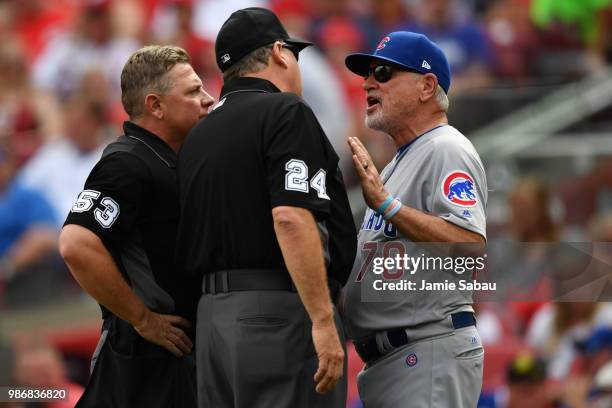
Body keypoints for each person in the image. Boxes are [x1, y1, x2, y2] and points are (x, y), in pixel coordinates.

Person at [175, 7, 356, 408]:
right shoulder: (285, 111)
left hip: (213, 324)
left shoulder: (197, 135)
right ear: (278, 51)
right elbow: (290, 216)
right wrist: (323, 321)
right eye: (294, 53)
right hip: (277, 313)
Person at [58, 45, 214, 407]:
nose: (207, 99)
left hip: (177, 356)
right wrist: (143, 319)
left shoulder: (176, 159)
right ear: (155, 105)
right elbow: (76, 244)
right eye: (192, 91)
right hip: (141, 361)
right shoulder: (127, 163)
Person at [342, 31, 488, 407]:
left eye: (384, 73)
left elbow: (470, 246)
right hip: (398, 360)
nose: (368, 82)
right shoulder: (401, 161)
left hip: (426, 352)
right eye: (368, 73)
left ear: (427, 86)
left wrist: (389, 207)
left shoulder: (445, 147)